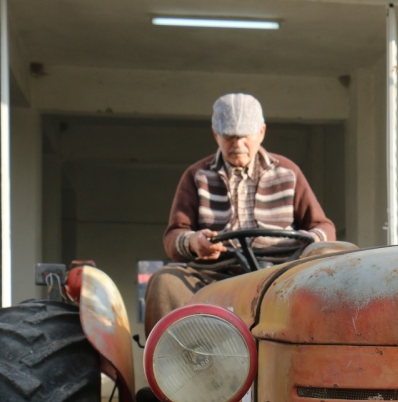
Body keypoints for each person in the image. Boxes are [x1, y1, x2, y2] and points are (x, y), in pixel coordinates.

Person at [144, 93, 337, 334]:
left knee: (339, 277)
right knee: (164, 281)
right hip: (217, 271)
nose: (237, 145)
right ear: (215, 134)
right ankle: (175, 364)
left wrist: (312, 243)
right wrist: (194, 241)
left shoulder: (288, 172)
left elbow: (323, 226)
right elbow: (174, 236)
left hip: (282, 268)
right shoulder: (197, 176)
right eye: (229, 137)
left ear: (261, 132)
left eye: (244, 136)